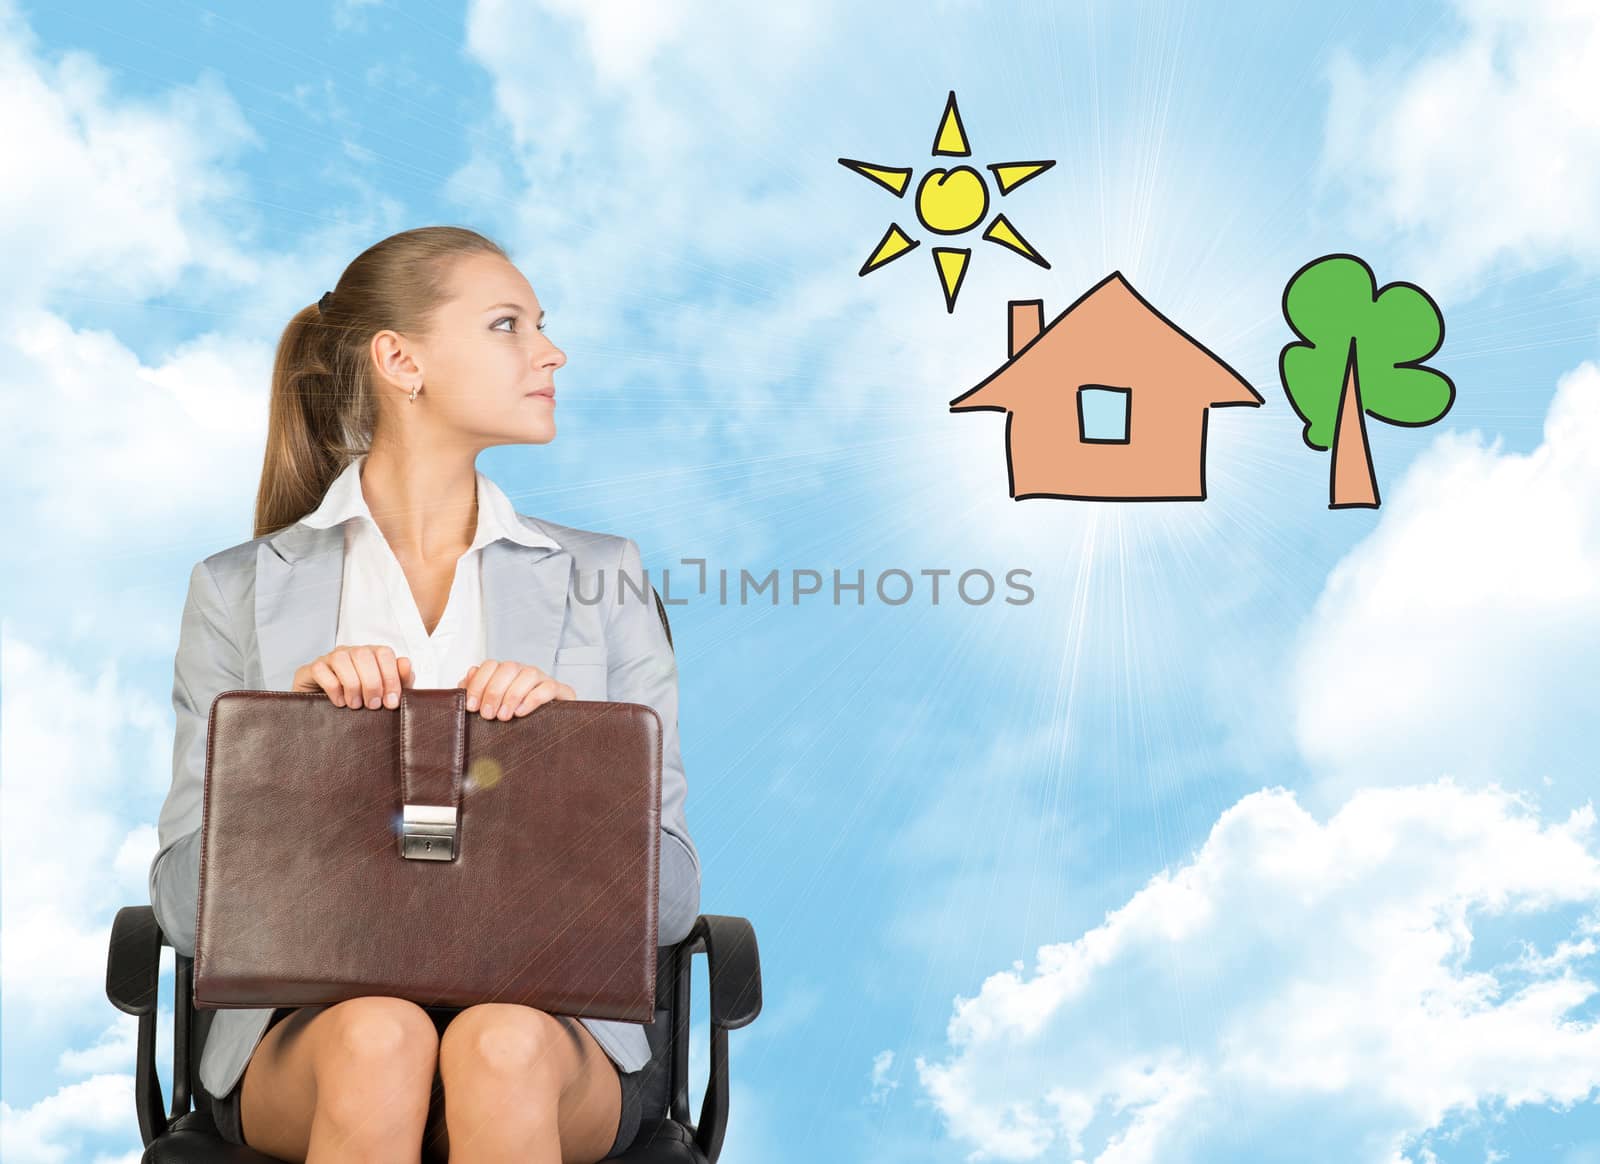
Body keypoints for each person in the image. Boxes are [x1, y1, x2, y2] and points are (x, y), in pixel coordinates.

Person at [146, 225, 701, 1162]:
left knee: (498, 1043)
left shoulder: (604, 577)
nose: (549, 351)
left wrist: (568, 756)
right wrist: (289, 748)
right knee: (381, 1035)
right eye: (506, 325)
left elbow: (675, 901)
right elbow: (180, 907)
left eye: (539, 325)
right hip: (309, 1036)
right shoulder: (238, 587)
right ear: (401, 360)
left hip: (554, 1031)